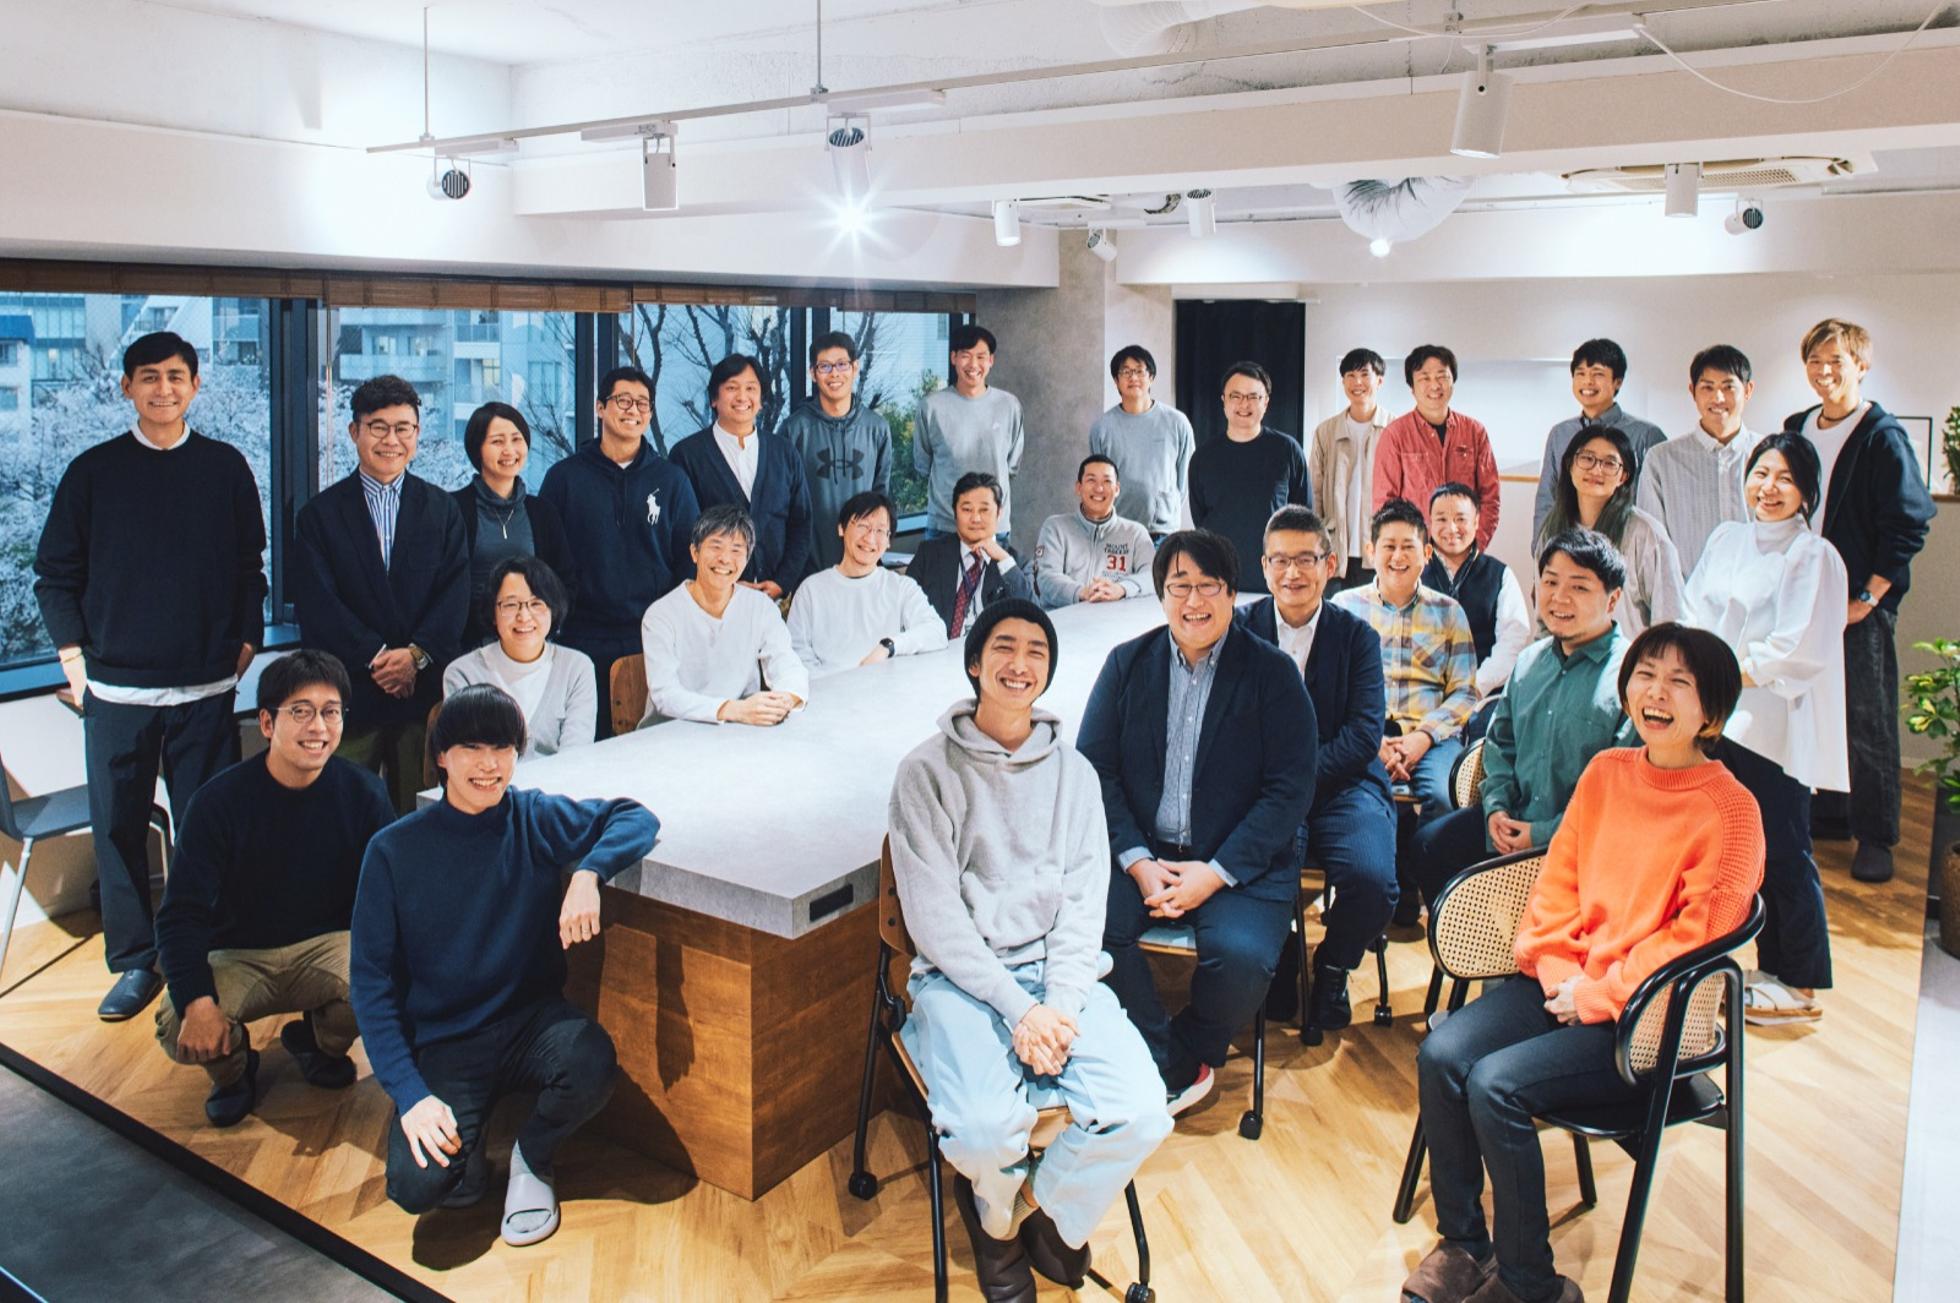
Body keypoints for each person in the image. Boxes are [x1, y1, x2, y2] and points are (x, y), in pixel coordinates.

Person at [1403, 624, 1763, 1303]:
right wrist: (1558, 970)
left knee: (1495, 1086)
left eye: (1679, 682)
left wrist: (1599, 993)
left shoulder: (1731, 810)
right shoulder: (1608, 772)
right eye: (1645, 675)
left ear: (1712, 713)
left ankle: (1531, 1284)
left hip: (1646, 1016)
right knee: (1442, 1055)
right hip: (1565, 981)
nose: (1655, 693)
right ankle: (1464, 1243)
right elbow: (1556, 881)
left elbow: (1695, 939)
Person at [888, 598, 1173, 1298]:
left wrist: (1061, 1005)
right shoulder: (925, 772)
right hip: (961, 980)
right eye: (1004, 648)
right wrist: (1021, 1011)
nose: (1020, 664)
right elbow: (934, 920)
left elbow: (1084, 904)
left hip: (1058, 975)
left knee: (1143, 1110)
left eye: (1036, 652)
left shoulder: (1075, 774)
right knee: (984, 1130)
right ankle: (994, 1223)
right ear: (974, 663)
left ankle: (1031, 1213)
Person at [350, 683, 659, 1248]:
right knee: (418, 1186)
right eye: (471, 748)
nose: (489, 765)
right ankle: (467, 1149)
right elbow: (370, 985)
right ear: (442, 756)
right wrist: (410, 1095)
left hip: (530, 1021)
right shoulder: (392, 851)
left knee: (592, 1062)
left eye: (503, 748)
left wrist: (589, 874)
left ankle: (530, 1155)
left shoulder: (531, 815)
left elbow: (633, 817)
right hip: (447, 1041)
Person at [33, 331, 267, 1020]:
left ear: (195, 385)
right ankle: (135, 960)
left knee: (206, 827)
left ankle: (207, 948)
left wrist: (247, 642)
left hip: (205, 687)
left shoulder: (225, 467)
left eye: (175, 376)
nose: (163, 388)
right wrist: (74, 663)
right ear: (127, 387)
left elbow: (249, 566)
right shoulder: (92, 471)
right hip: (116, 690)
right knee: (118, 829)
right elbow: (54, 575)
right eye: (148, 376)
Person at [1080, 530, 1316, 1108]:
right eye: (1179, 586)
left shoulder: (1273, 673)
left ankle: (1183, 1049)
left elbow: (1289, 790)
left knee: (1241, 960)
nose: (1194, 601)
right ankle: (1168, 1061)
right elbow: (1094, 770)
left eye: (1208, 585)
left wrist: (1214, 873)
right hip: (1142, 853)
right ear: (1161, 595)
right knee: (1084, 930)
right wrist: (1136, 860)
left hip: (1239, 861)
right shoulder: (1126, 664)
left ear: (1233, 593)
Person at [153, 651, 394, 1125]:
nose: (318, 726)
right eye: (300, 711)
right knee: (176, 1022)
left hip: (326, 946)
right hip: (237, 954)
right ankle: (234, 1068)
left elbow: (389, 895)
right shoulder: (217, 803)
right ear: (267, 723)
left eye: (330, 712)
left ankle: (319, 1043)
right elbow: (180, 915)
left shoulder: (365, 792)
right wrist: (199, 1003)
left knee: (391, 980)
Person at [1685, 435, 1848, 1025]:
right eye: (1761, 473)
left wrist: (1721, 674)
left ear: (1806, 490)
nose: (1769, 488)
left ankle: (1798, 980)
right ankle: (1762, 966)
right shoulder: (1727, 538)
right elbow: (1694, 611)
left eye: (1785, 478)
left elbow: (1797, 649)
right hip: (1717, 717)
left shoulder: (1813, 555)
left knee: (1782, 850)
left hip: (1773, 725)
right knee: (1733, 852)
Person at [1783, 318, 1935, 884]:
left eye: (1837, 362)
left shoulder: (1882, 436)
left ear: (1861, 366)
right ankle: (1831, 810)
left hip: (1858, 603)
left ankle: (1876, 835)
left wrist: (1868, 597)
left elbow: (1909, 524)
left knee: (1866, 717)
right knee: (1811, 706)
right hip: (1805, 595)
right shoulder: (1798, 426)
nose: (1824, 372)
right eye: (1815, 361)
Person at [1408, 530, 1631, 912]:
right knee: (1428, 847)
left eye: (1579, 587)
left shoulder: (1631, 678)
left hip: (1583, 842)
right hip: (1511, 820)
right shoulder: (1529, 661)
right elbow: (1500, 745)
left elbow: (1622, 794)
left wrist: (1540, 833)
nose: (1559, 598)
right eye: (1550, 582)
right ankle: (1485, 937)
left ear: (1612, 599)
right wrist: (1496, 809)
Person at [1237, 507, 1396, 1034]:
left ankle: (1332, 966)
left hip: (1343, 786)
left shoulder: (1358, 638)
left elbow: (1364, 735)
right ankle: (1281, 955)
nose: (1292, 573)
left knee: (1373, 883)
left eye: (1305, 559)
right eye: (1280, 560)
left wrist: (1297, 776)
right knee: (1258, 869)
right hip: (1261, 792)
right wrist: (1275, 784)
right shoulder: (1239, 631)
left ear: (1329, 565)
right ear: (1264, 566)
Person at [291, 374, 467, 814]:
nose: (392, 440)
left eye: (403, 428)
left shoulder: (442, 509)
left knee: (419, 814)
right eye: (378, 427)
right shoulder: (319, 516)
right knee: (341, 812)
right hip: (349, 692)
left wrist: (415, 657)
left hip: (420, 691)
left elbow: (454, 594)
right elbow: (318, 604)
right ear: (355, 431)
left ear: (417, 433)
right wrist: (378, 657)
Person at [536, 366, 700, 739]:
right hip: (580, 637)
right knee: (582, 744)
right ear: (600, 408)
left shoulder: (671, 480)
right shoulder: (564, 477)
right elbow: (545, 560)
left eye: (642, 403)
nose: (633, 410)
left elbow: (689, 558)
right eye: (623, 401)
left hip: (651, 636)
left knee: (651, 743)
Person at [1331, 500, 1478, 817]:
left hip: (1433, 739)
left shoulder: (1450, 612)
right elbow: (1331, 688)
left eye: (1408, 547)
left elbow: (1465, 692)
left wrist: (1422, 737)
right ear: (1371, 551)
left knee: (1443, 798)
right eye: (1389, 546)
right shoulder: (1343, 607)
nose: (1398, 557)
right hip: (1363, 736)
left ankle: (1424, 853)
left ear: (1427, 553)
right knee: (1348, 798)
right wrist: (1371, 740)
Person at [639, 505, 809, 726]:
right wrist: (732, 709)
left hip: (737, 729)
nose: (725, 559)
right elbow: (665, 695)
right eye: (716, 546)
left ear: (747, 559)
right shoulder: (661, 615)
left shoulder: (760, 607)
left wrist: (785, 698)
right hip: (670, 730)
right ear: (694, 552)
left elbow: (787, 663)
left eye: (736, 550)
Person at [669, 354, 813, 599]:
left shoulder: (784, 452)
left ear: (761, 400)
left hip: (775, 598)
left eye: (751, 388)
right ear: (714, 399)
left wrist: (781, 582)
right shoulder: (687, 455)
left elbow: (801, 523)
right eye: (731, 388)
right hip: (711, 598)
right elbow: (681, 533)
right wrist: (720, 587)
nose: (742, 397)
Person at [1535, 424, 1684, 640]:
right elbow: (1543, 620)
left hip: (1625, 658)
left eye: (1609, 463)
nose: (1596, 470)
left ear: (1623, 476)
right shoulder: (1552, 529)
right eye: (1587, 458)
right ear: (1570, 465)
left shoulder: (1646, 534)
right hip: (1564, 658)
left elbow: (1670, 619)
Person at [451, 402, 575, 648]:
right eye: (497, 441)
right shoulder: (453, 509)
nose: (509, 450)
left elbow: (564, 582)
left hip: (531, 642)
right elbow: (445, 588)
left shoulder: (543, 512)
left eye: (516, 439)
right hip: (469, 647)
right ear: (477, 449)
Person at [443, 556, 596, 756]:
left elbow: (575, 756)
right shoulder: (463, 674)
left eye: (536, 603)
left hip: (561, 776)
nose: (524, 616)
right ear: (493, 613)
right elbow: (468, 758)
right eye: (510, 605)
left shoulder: (576, 668)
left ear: (553, 609)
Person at [787, 492, 948, 676]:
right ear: (841, 528)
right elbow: (796, 656)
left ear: (888, 541)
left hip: (886, 689)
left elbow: (936, 632)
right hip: (828, 689)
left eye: (880, 531)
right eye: (862, 526)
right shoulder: (811, 590)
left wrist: (889, 646)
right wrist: (835, 685)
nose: (870, 538)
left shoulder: (901, 587)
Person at [1185, 360, 1311, 596]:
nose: (1244, 404)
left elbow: (1303, 516)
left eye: (1253, 397)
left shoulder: (1287, 450)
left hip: (1276, 582)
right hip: (1219, 580)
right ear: (1223, 401)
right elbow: (1200, 518)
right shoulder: (1203, 457)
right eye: (1236, 396)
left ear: (1266, 402)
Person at [1636, 345, 1760, 576]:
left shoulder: (1771, 455)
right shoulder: (1661, 461)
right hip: (1687, 595)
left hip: (1759, 593)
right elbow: (1651, 547)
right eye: (1707, 387)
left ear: (1748, 390)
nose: (1718, 398)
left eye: (1728, 387)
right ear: (1693, 391)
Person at [1531, 339, 1669, 542]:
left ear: (1617, 382)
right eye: (1580, 373)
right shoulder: (1560, 433)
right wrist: (1541, 548)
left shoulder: (1646, 435)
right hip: (1569, 545)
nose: (1588, 381)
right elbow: (1547, 498)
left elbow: (1657, 504)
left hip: (1626, 544)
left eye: (1597, 374)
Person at [1422, 482, 1530, 736]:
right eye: (1441, 519)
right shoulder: (1415, 572)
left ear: (1476, 521)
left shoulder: (1499, 574)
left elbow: (1513, 639)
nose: (1451, 529)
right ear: (1429, 523)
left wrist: (1476, 688)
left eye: (1460, 519)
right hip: (1422, 693)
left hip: (1483, 696)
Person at [780, 330, 892, 572]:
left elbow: (881, 497)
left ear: (855, 367)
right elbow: (783, 504)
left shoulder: (877, 428)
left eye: (842, 364)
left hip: (863, 563)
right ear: (813, 373)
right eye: (824, 366)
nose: (834, 374)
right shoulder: (794, 429)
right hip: (807, 565)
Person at [1373, 345, 1500, 550]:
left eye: (1442, 377)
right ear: (1412, 387)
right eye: (1424, 378)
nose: (1434, 385)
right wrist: (1404, 550)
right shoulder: (1395, 435)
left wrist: (1474, 547)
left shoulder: (1474, 432)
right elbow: (1384, 504)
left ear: (1453, 382)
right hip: (1416, 551)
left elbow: (1490, 497)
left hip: (1464, 548)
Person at [915, 324, 1025, 541]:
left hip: (994, 528)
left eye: (981, 357)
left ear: (991, 360)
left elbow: (1012, 466)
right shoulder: (931, 407)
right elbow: (923, 465)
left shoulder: (1009, 405)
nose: (973, 364)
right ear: (953, 358)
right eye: (965, 356)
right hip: (944, 526)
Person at [908, 471, 1035, 638]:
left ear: (999, 513)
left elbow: (1034, 616)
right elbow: (903, 607)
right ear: (955, 512)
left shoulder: (1015, 564)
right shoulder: (929, 554)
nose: (975, 518)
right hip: (937, 649)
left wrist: (1003, 560)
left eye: (984, 510)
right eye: (967, 509)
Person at [1089, 344, 1194, 541]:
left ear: (1151, 377)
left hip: (1163, 532)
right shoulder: (1102, 428)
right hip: (1118, 530)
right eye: (1125, 372)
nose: (1133, 378)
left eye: (1139, 371)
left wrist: (1164, 509)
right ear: (1116, 380)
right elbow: (1100, 481)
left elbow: (1184, 479)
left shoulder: (1177, 423)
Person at [1309, 347, 1389, 591]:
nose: (1357, 382)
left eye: (1365, 375)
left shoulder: (1394, 430)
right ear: (1343, 381)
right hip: (1334, 553)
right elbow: (1315, 492)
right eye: (1350, 376)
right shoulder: (1326, 432)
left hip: (1379, 552)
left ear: (1379, 380)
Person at [1031, 455, 1158, 608]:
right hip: (1062, 618)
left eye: (1107, 481)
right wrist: (1083, 592)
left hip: (1116, 619)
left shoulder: (1135, 533)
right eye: (1091, 480)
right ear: (1079, 487)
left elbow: (1153, 575)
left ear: (1117, 489)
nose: (1099, 488)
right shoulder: (1055, 527)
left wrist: (1121, 588)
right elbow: (1046, 578)